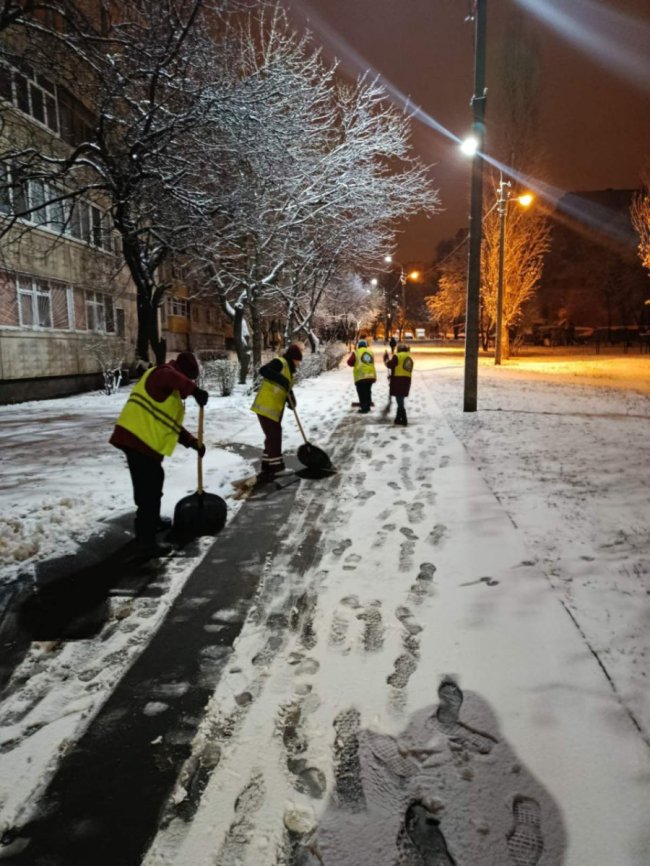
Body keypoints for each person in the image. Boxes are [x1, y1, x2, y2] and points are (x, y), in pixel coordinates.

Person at [110, 351, 208, 556]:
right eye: (188, 378)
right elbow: (171, 377)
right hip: (136, 439)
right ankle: (146, 542)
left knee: (152, 483)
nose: (187, 383)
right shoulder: (162, 373)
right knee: (149, 491)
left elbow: (171, 424)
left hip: (142, 442)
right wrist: (194, 389)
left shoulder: (169, 390)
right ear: (183, 373)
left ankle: (151, 523)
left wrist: (193, 442)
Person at [251, 343, 303, 480]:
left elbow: (286, 387)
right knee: (274, 435)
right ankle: (277, 468)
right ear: (293, 358)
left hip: (274, 408)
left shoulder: (289, 369)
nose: (299, 364)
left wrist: (291, 399)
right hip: (266, 406)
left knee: (271, 436)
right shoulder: (280, 362)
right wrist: (282, 381)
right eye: (298, 360)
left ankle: (268, 465)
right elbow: (264, 370)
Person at [384, 342, 413, 426]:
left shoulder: (397, 356)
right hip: (407, 380)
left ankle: (404, 419)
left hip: (398, 380)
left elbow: (390, 365)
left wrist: (386, 361)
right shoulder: (409, 357)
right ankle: (397, 419)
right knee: (400, 399)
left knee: (399, 400)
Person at [347, 338, 376, 413]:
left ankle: (364, 408)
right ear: (366, 345)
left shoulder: (356, 352)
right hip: (370, 375)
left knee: (361, 392)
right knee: (368, 391)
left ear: (359, 345)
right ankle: (368, 406)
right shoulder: (370, 352)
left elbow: (349, 362)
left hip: (361, 376)